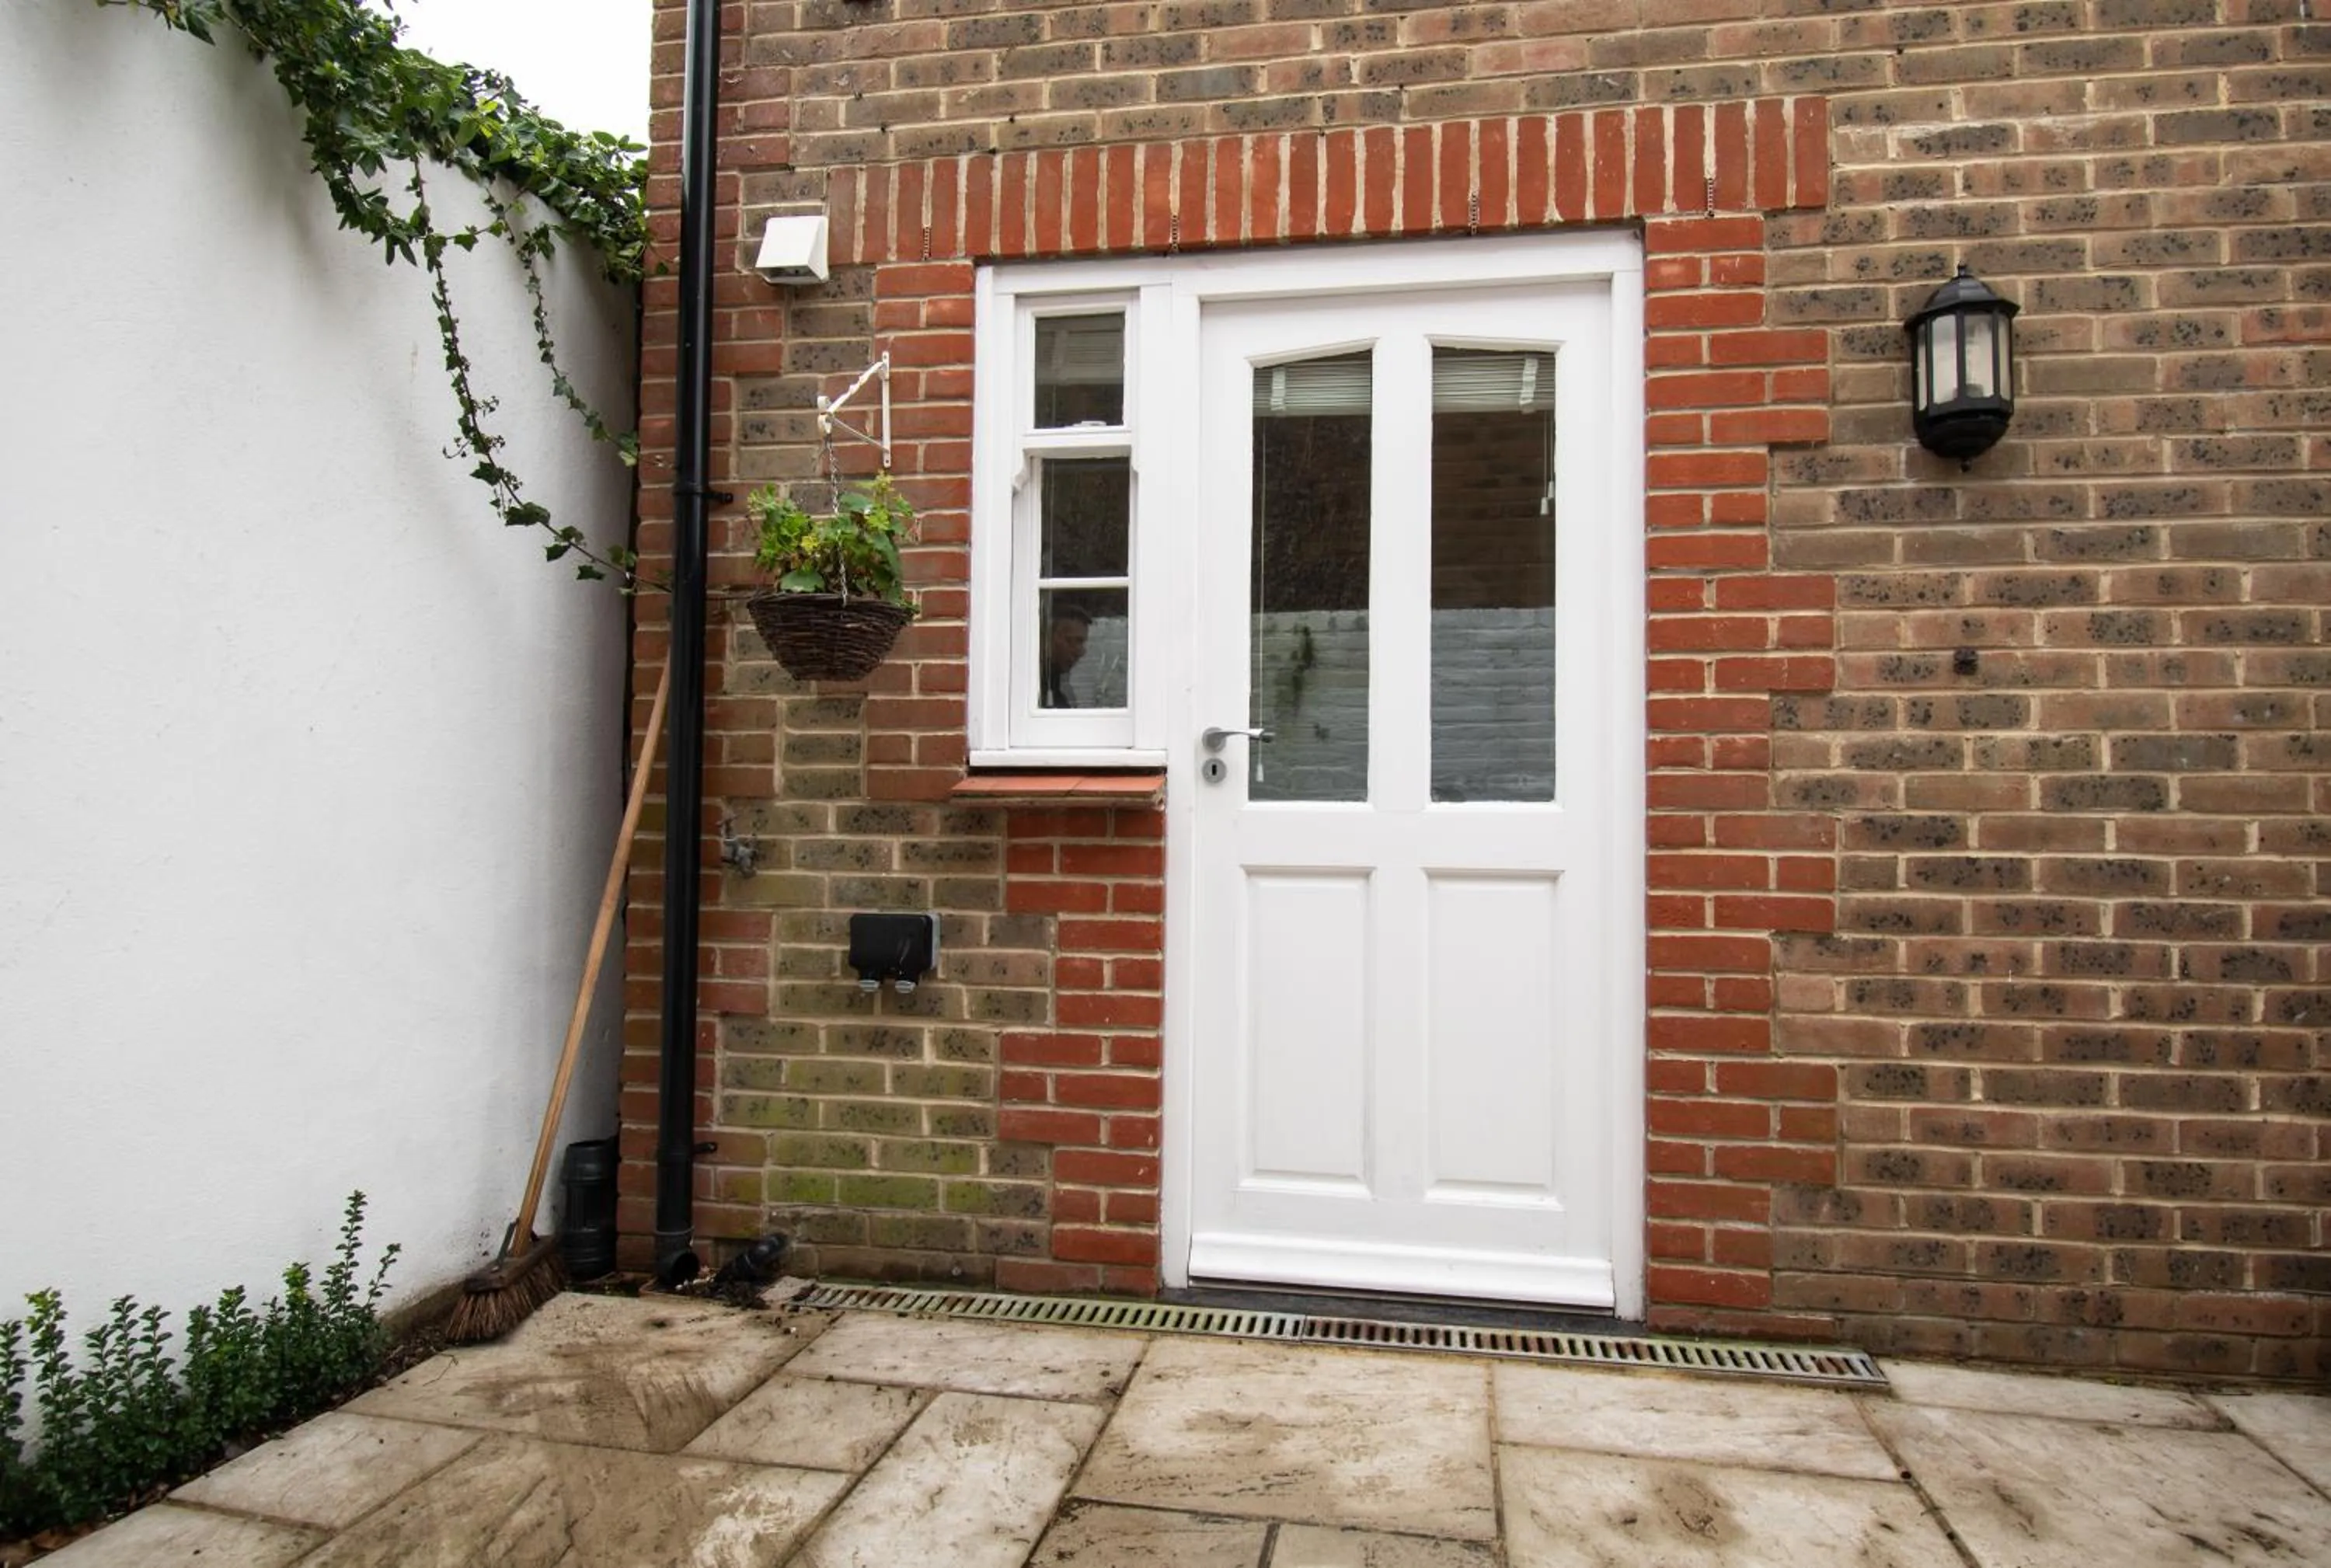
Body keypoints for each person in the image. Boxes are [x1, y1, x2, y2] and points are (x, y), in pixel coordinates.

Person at [1042, 602, 1092, 708]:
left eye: (1081, 643)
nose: (1082, 652)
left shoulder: (1056, 688)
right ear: (1051, 638)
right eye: (1077, 641)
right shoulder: (1033, 690)